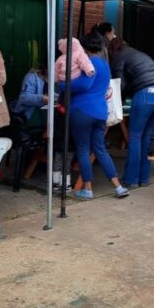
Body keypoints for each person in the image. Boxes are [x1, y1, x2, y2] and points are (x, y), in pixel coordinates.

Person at [60, 32, 129, 200]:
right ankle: (118, 187)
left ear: (84, 47)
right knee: (100, 149)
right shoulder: (105, 64)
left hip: (82, 110)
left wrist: (62, 84)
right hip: (100, 112)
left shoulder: (89, 62)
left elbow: (85, 84)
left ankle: (88, 189)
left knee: (83, 149)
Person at [108, 38, 154, 187]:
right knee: (147, 136)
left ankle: (131, 179)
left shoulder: (118, 57)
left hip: (146, 92)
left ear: (112, 50)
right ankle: (144, 178)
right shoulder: (138, 53)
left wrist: (118, 102)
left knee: (135, 137)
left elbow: (119, 84)